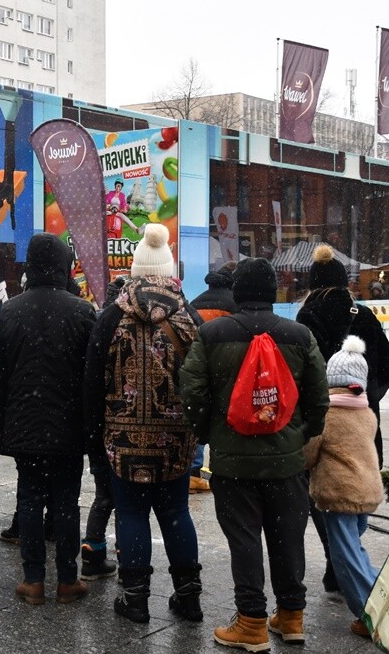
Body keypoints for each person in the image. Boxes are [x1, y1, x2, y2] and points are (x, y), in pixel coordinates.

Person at [180, 257, 329, 651]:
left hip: (232, 461)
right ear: (273, 292)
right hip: (287, 461)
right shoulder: (299, 335)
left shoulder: (212, 334)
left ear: (237, 292)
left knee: (244, 540)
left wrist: (209, 433)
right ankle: (291, 616)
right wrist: (301, 434)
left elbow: (192, 393)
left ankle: (251, 623)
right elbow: (319, 397)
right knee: (288, 538)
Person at [84, 223, 203, 623]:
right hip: (176, 438)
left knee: (131, 513)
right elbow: (204, 379)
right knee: (176, 512)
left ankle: (135, 598)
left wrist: (93, 435)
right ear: (169, 270)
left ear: (134, 270)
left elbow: (92, 380)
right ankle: (189, 596)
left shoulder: (112, 316)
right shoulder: (189, 317)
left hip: (122, 438)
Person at [0, 233, 96, 605]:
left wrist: (3, 417)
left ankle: (33, 579)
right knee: (66, 500)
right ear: (64, 266)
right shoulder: (82, 311)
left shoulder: (11, 310)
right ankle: (67, 578)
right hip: (69, 425)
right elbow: (94, 375)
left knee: (30, 497)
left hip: (23, 421)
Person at [296, 244, 389, 593]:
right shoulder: (363, 315)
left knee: (323, 494)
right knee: (357, 486)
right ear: (344, 282)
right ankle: (346, 557)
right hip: (362, 420)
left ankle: (337, 559)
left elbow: (300, 371)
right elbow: (388, 365)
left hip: (321, 419)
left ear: (313, 283)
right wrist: (366, 397)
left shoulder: (306, 316)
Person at [304, 335, 383, 640]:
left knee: (344, 556)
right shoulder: (366, 413)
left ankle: (369, 613)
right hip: (366, 491)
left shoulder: (326, 415)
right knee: (355, 548)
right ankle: (381, 592)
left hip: (338, 493)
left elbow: (308, 456)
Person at [187, 262, 238, 493]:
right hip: (226, 369)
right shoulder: (234, 304)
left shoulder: (196, 302)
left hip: (200, 365)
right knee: (224, 420)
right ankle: (222, 467)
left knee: (199, 416)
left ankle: (194, 471)